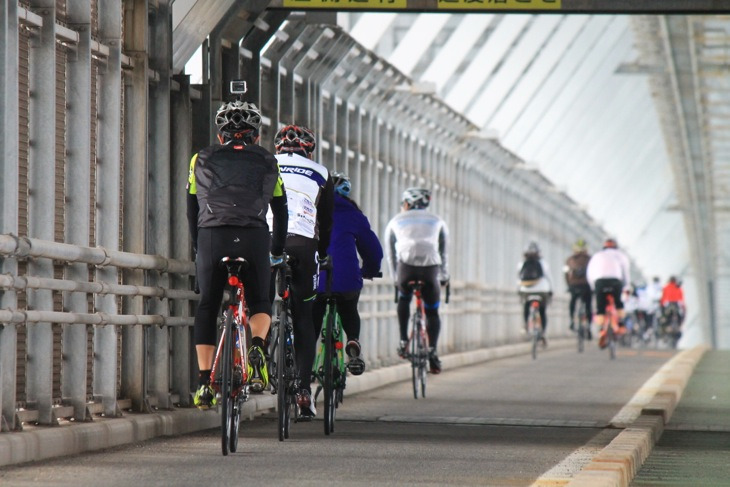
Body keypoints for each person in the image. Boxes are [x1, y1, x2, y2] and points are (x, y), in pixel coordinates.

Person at [187, 100, 288, 409]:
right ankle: (257, 346)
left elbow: (192, 209)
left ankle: (205, 384)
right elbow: (280, 211)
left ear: (221, 136)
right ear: (255, 136)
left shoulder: (199, 159)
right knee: (260, 300)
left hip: (212, 238)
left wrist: (197, 247)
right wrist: (276, 252)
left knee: (206, 306)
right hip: (253, 237)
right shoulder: (269, 161)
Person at [268, 124, 334, 420]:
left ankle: (255, 357)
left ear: (278, 148)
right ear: (310, 150)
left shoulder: (266, 163)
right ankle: (304, 389)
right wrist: (324, 254)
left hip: (268, 239)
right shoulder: (320, 171)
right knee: (304, 317)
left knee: (258, 301)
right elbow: (327, 221)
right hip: (304, 244)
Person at [312, 172, 383, 376]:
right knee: (349, 309)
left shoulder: (310, 210)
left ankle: (305, 360)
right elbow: (373, 250)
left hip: (316, 277)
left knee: (312, 317)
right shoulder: (354, 214)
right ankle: (352, 341)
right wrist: (369, 270)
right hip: (347, 278)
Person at [384, 187, 449, 374]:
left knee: (404, 298)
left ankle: (404, 339)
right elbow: (444, 251)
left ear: (407, 203)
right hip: (430, 270)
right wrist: (444, 276)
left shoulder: (395, 220)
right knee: (432, 312)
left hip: (406, 269)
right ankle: (432, 351)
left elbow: (390, 253)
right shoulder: (438, 221)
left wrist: (396, 278)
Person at [586, 238, 631, 349]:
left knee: (600, 307)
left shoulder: (597, 256)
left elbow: (590, 273)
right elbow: (625, 273)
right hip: (615, 281)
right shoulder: (621, 256)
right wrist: (627, 286)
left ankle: (602, 329)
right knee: (618, 303)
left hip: (599, 282)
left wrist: (593, 287)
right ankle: (620, 324)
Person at [517, 241, 553, 343]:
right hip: (542, 290)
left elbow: (518, 278)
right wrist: (551, 291)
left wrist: (519, 290)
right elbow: (549, 278)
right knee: (542, 311)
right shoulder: (543, 263)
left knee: (526, 307)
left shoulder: (521, 263)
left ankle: (525, 326)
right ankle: (543, 333)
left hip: (526, 289)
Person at [563, 238, 592, 338]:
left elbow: (566, 273)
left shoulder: (570, 260)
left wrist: (569, 285)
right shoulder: (590, 259)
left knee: (573, 302)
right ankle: (588, 325)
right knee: (588, 305)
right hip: (587, 285)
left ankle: (572, 321)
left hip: (574, 285)